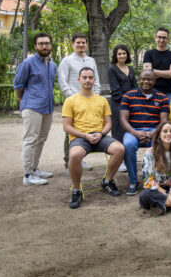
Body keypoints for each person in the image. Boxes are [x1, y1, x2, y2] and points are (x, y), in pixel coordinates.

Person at [62, 67, 125, 209]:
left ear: (94, 79)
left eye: (90, 77)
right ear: (79, 80)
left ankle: (107, 181)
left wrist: (101, 134)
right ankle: (77, 190)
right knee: (75, 155)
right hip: (80, 137)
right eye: (84, 77)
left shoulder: (102, 100)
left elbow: (108, 123)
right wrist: (84, 135)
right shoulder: (71, 100)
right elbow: (67, 127)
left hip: (99, 135)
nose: (87, 80)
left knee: (120, 148)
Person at [13, 32, 57, 186]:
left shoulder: (52, 65)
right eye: (41, 44)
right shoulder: (28, 63)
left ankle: (35, 168)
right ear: (36, 46)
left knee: (41, 139)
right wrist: (23, 103)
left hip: (48, 107)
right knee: (31, 139)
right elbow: (18, 85)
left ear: (50, 45)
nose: (44, 46)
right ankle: (27, 175)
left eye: (47, 43)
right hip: (32, 106)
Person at [119, 69, 169, 195]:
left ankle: (156, 181)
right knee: (128, 145)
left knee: (160, 144)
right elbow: (123, 120)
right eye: (143, 79)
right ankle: (133, 182)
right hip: (133, 131)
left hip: (155, 131)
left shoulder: (162, 98)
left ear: (154, 81)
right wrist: (136, 133)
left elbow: (164, 122)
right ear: (139, 80)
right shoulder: (128, 96)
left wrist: (153, 134)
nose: (146, 81)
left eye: (149, 79)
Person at [58, 33, 101, 170]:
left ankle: (79, 160)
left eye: (83, 42)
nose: (81, 45)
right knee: (70, 132)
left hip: (91, 100)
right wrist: (72, 97)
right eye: (78, 43)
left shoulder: (91, 61)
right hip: (74, 101)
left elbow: (97, 80)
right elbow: (62, 81)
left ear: (86, 44)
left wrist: (97, 96)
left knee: (87, 128)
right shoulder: (67, 60)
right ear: (73, 44)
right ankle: (68, 163)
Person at [109, 44, 137, 143]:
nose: (122, 56)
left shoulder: (131, 69)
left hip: (131, 104)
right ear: (115, 56)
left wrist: (135, 100)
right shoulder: (112, 69)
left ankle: (127, 156)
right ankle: (118, 155)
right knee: (119, 130)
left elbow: (135, 87)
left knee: (130, 130)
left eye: (124, 53)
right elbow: (115, 91)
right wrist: (129, 100)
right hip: (118, 104)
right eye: (119, 54)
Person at [142, 27, 171, 99]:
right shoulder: (148, 54)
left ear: (168, 40)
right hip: (150, 92)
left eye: (164, 38)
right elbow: (147, 74)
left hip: (168, 93)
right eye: (159, 37)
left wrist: (153, 71)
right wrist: (166, 73)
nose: (161, 40)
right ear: (155, 38)